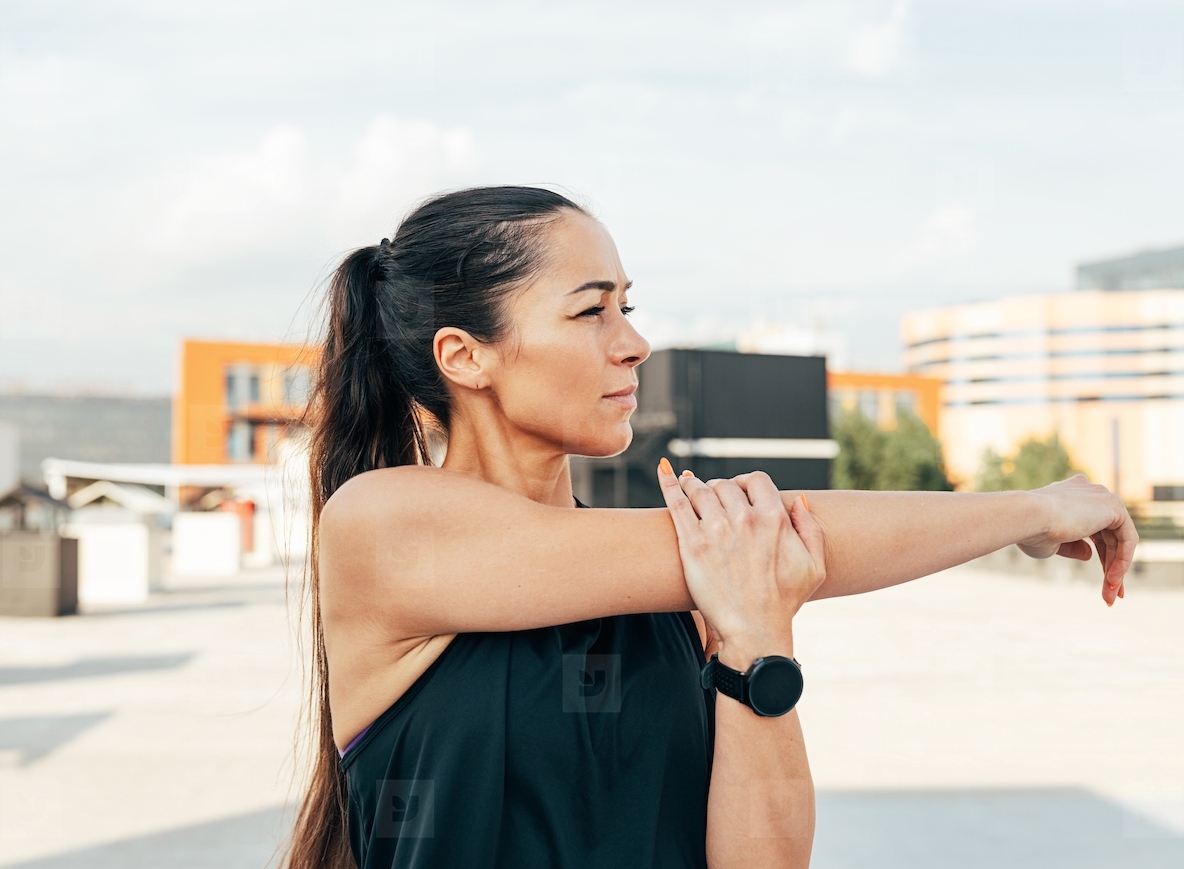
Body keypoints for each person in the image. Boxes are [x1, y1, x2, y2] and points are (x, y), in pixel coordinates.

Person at [281, 186, 1136, 869]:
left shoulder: (691, 584)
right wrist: (1031, 509)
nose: (636, 342)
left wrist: (758, 638)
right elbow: (790, 532)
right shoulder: (382, 522)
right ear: (465, 356)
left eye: (629, 306)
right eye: (592, 312)